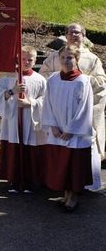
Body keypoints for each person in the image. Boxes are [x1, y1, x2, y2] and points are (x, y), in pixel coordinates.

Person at [38, 23, 105, 188]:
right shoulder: (55, 56)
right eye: (71, 32)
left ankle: (84, 185)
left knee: (80, 152)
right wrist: (61, 84)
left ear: (83, 35)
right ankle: (61, 184)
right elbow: (43, 76)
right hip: (59, 112)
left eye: (78, 33)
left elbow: (102, 83)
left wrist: (82, 82)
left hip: (81, 113)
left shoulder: (92, 59)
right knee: (59, 151)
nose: (74, 35)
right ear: (66, 35)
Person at [41, 45, 94, 212]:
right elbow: (47, 104)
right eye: (63, 57)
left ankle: (73, 197)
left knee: (73, 165)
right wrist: (53, 126)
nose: (66, 60)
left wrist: (71, 130)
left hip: (74, 133)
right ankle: (65, 194)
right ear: (58, 58)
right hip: (57, 131)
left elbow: (85, 108)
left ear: (76, 59)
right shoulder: (53, 80)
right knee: (61, 164)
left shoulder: (82, 81)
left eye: (70, 57)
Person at [0, 46, 47, 193]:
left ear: (35, 60)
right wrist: (11, 92)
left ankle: (30, 182)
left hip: (30, 118)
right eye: (23, 59)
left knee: (30, 149)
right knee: (14, 148)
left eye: (30, 59)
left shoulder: (40, 79)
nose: (26, 62)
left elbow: (46, 100)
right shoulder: (8, 77)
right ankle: (14, 181)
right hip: (13, 119)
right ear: (18, 59)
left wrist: (31, 103)